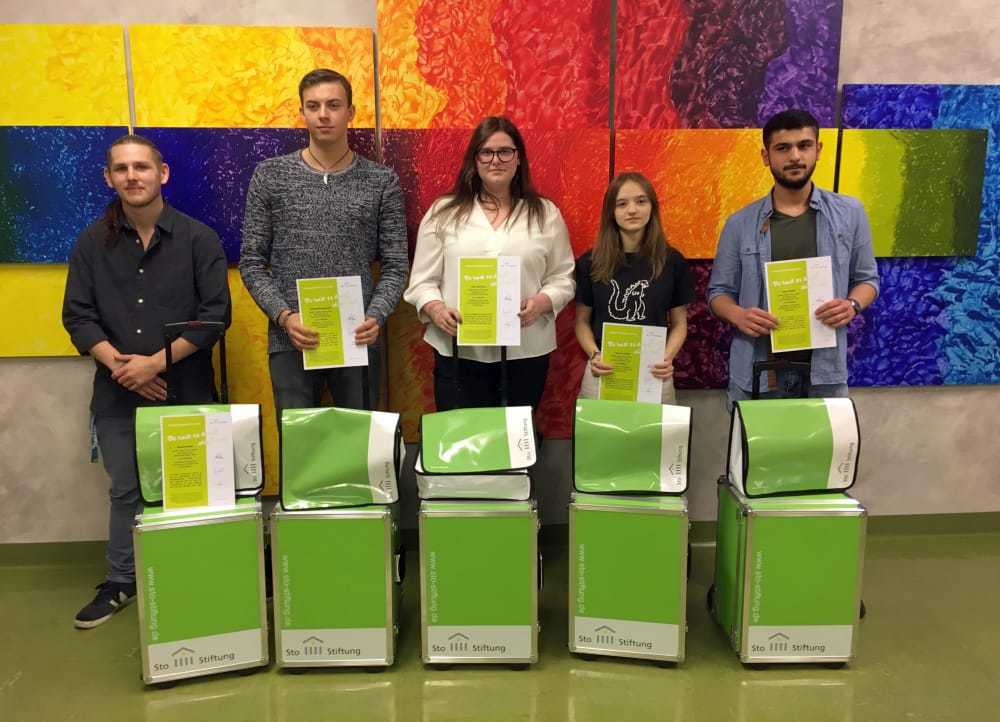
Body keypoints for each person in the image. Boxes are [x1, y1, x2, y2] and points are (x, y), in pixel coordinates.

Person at [62, 134, 231, 628]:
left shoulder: (199, 239)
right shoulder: (91, 244)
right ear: (108, 178)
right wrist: (126, 371)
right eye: (121, 168)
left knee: (191, 489)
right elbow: (78, 317)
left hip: (186, 390)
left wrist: (154, 365)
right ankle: (121, 581)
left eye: (141, 166)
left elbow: (215, 317)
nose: (132, 176)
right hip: (116, 393)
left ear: (163, 173)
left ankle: (193, 573)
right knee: (126, 490)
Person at [239, 68, 408, 416]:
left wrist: (376, 315)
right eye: (313, 106)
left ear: (350, 112)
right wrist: (285, 316)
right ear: (302, 112)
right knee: (299, 442)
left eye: (333, 105)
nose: (323, 115)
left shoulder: (381, 181)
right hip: (291, 338)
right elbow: (252, 262)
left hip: (357, 337)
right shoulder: (270, 175)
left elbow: (395, 265)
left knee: (359, 439)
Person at [404, 116, 575, 414]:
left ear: (518, 158)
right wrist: (436, 309)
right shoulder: (443, 212)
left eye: (505, 151)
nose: (495, 160)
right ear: (475, 159)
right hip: (459, 351)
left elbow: (563, 278)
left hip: (526, 350)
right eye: (486, 152)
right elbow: (421, 281)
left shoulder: (545, 213)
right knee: (462, 436)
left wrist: (541, 302)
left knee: (514, 436)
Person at [708, 109, 879, 403]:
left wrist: (852, 305)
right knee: (756, 437)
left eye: (804, 145)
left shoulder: (850, 213)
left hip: (824, 372)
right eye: (783, 148)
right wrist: (738, 315)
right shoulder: (740, 224)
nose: (795, 156)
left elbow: (868, 280)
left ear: (818, 150)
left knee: (821, 437)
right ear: (766, 156)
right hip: (758, 371)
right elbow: (717, 293)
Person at [575, 172, 695, 404]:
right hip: (603, 372)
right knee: (601, 430)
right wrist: (594, 354)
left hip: (654, 373)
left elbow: (680, 323)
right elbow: (581, 322)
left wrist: (667, 358)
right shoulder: (590, 262)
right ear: (611, 211)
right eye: (622, 204)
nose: (632, 210)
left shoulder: (672, 261)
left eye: (641, 201)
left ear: (652, 207)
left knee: (655, 430)